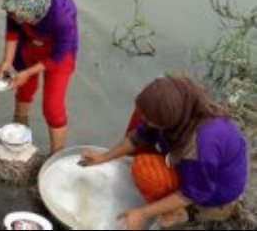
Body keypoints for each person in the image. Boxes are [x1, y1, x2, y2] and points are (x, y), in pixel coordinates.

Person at [80, 77, 248, 230]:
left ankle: (182, 213)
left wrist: (142, 213)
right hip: (196, 164)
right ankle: (166, 195)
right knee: (141, 117)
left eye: (151, 121)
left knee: (146, 172)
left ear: (169, 121)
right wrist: (103, 157)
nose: (145, 122)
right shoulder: (180, 100)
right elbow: (139, 137)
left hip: (215, 188)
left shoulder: (200, 145)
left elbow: (192, 193)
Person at [0, 0, 78, 154]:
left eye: (18, 16)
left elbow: (58, 56)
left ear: (34, 14)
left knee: (52, 107)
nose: (13, 17)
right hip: (28, 44)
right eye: (12, 14)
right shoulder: (17, 3)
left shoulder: (62, 18)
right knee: (23, 88)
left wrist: (29, 72)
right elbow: (13, 30)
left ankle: (56, 155)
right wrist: (7, 61)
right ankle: (18, 132)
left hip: (58, 54)